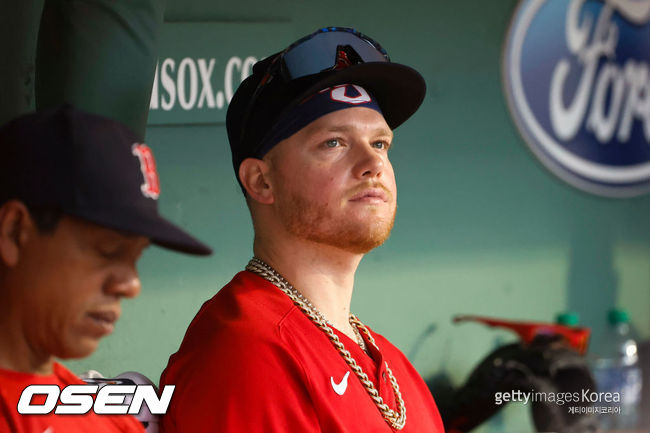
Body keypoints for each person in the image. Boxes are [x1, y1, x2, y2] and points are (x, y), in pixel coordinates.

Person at [160, 27, 444, 432]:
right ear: (261, 181)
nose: (373, 163)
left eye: (380, 144)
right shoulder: (249, 351)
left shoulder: (396, 369)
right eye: (334, 143)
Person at [0, 105, 212, 433]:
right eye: (108, 251)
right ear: (15, 232)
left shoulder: (111, 421)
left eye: (136, 257)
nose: (131, 285)